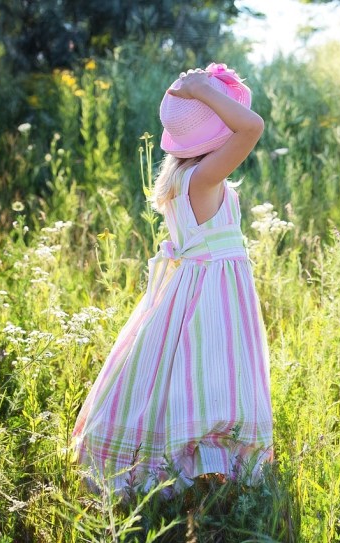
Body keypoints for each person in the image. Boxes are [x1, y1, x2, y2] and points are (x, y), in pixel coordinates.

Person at [69, 63, 274, 501]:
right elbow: (252, 127)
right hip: (213, 295)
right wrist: (201, 88)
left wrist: (202, 92)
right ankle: (207, 465)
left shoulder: (182, 178)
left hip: (191, 289)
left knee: (176, 375)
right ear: (218, 132)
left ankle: (199, 464)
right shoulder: (204, 179)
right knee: (213, 376)